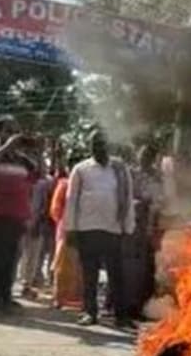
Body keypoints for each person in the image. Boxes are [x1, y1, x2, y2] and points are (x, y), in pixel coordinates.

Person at [64, 129, 134, 327]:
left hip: (113, 228)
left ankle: (121, 316)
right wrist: (71, 228)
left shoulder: (121, 169)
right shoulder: (80, 169)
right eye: (95, 144)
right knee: (89, 274)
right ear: (90, 147)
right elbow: (71, 201)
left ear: (109, 145)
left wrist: (128, 227)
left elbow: (128, 199)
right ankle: (89, 312)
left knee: (117, 275)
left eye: (102, 143)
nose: (99, 147)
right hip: (87, 228)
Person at [0, 116, 38, 317]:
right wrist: (6, 148)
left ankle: (4, 298)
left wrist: (37, 150)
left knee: (11, 260)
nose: (13, 135)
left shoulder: (22, 159)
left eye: (16, 131)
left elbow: (39, 175)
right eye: (8, 130)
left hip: (17, 215)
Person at [125, 143, 165, 319]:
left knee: (148, 267)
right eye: (143, 155)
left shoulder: (158, 176)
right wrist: (137, 204)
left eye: (149, 155)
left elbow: (163, 199)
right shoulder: (130, 174)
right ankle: (126, 304)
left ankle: (144, 305)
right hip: (132, 225)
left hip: (150, 226)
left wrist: (155, 207)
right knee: (130, 266)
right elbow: (124, 197)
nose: (145, 159)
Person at [19, 155, 57, 301]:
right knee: (23, 255)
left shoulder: (43, 183)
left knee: (32, 256)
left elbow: (46, 203)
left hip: (35, 223)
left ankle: (27, 285)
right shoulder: (23, 182)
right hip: (21, 221)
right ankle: (22, 284)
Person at [50, 155, 83, 310]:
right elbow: (55, 209)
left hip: (83, 228)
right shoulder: (64, 184)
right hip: (65, 229)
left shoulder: (85, 186)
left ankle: (76, 297)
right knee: (62, 264)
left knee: (79, 265)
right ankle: (59, 298)